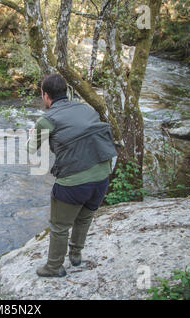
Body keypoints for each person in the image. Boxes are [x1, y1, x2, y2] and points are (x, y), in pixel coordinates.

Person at [27, 73, 117, 277]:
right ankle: (76, 256)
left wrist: (33, 135)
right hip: (102, 177)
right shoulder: (87, 108)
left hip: (74, 184)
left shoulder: (46, 119)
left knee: (59, 227)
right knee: (84, 218)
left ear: (45, 95)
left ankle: (54, 267)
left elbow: (31, 150)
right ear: (66, 92)